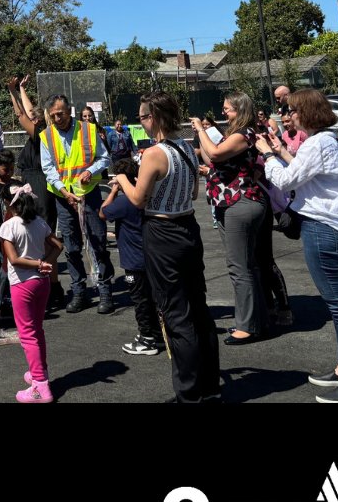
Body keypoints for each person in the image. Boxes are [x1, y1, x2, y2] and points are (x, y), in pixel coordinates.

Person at [256, 88, 338, 403]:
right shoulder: (325, 140)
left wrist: (267, 155)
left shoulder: (318, 142)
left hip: (324, 229)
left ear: (305, 112)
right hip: (332, 226)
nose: (288, 116)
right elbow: (308, 173)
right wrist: (281, 152)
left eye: (291, 111)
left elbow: (287, 181)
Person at [112, 91, 220, 403]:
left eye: (143, 116)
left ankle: (189, 393)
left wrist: (121, 175)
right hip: (188, 226)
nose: (141, 122)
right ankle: (210, 387)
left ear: (155, 118)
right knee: (198, 309)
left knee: (176, 314)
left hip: (162, 231)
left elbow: (137, 200)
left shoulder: (154, 153)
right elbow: (195, 192)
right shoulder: (186, 146)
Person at [191, 93, 270, 344]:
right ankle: (257, 320)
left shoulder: (243, 134)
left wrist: (200, 130)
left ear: (241, 110)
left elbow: (214, 155)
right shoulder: (236, 135)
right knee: (248, 265)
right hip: (231, 204)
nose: (224, 112)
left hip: (240, 203)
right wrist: (202, 137)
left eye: (228, 109)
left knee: (239, 268)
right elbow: (211, 159)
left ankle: (246, 326)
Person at [39, 94, 115, 314]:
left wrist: (90, 172)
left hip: (88, 195)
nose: (57, 119)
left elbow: (104, 158)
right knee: (71, 247)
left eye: (60, 114)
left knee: (97, 241)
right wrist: (64, 192)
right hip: (64, 198)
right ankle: (79, 291)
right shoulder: (47, 136)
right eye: (53, 115)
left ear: (69, 110)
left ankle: (105, 291)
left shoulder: (88, 130)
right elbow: (48, 169)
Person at [0, 184, 64, 403]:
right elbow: (58, 246)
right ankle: (39, 373)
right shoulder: (39, 222)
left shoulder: (8, 226)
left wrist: (38, 264)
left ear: (8, 203)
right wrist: (45, 264)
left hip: (22, 285)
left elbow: (14, 259)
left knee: (27, 335)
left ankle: (41, 387)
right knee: (37, 331)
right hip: (41, 283)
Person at [7, 76, 65, 311]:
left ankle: (50, 285)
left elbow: (22, 115)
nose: (29, 118)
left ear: (40, 120)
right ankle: (51, 285)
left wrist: (12, 91)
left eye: (34, 117)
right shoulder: (41, 132)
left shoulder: (41, 133)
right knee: (39, 235)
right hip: (35, 182)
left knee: (40, 235)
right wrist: (21, 88)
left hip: (39, 184)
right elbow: (28, 111)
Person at [102, 157, 164, 356]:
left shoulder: (123, 201)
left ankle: (147, 338)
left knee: (140, 299)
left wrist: (113, 190)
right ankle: (157, 334)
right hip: (151, 255)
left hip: (133, 260)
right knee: (152, 297)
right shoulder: (146, 194)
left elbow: (103, 213)